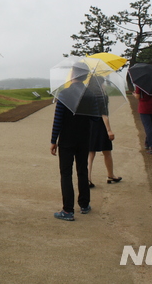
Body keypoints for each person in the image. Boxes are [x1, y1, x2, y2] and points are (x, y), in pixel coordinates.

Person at [50, 64, 94, 221]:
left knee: (66, 173)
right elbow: (94, 118)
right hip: (84, 138)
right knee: (82, 170)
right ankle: (84, 204)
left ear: (73, 73)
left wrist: (53, 140)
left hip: (67, 139)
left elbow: (58, 120)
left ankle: (68, 209)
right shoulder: (89, 94)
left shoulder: (64, 93)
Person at [87, 76, 121, 187]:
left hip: (89, 125)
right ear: (99, 84)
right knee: (106, 151)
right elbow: (104, 115)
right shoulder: (102, 96)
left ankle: (87, 179)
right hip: (100, 125)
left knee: (90, 153)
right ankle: (110, 175)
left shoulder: (86, 94)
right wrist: (109, 130)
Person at [133, 86, 152, 154]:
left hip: (144, 108)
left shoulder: (140, 84)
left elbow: (138, 96)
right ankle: (147, 142)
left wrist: (134, 94)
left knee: (148, 128)